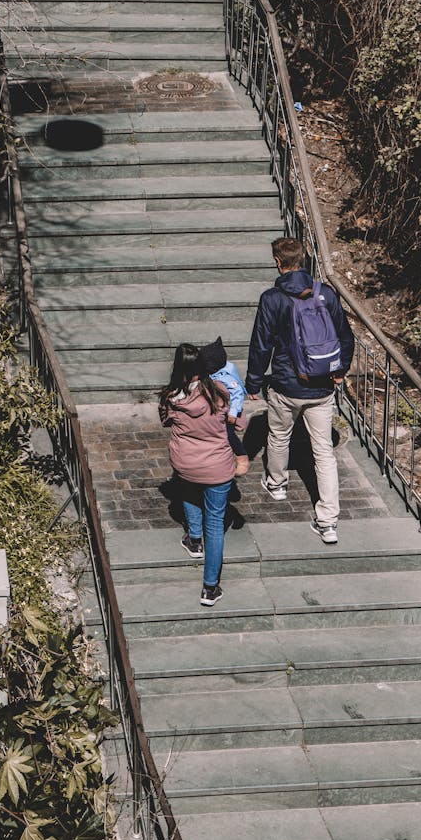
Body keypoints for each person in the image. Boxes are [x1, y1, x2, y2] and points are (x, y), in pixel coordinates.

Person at [245, 236, 354, 544]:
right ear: (303, 260)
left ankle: (278, 484)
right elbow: (345, 337)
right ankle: (328, 520)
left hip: (285, 384)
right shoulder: (326, 294)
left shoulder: (272, 298)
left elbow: (261, 343)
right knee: (324, 452)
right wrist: (339, 370)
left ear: (278, 263)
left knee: (279, 435)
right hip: (321, 387)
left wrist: (253, 382)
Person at [159, 343, 242, 606]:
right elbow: (234, 421)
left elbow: (166, 422)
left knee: (188, 491)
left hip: (186, 463)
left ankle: (194, 539)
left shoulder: (171, 397)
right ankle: (210, 587)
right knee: (215, 524)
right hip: (218, 467)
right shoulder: (220, 393)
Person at [200, 336, 249, 476]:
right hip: (216, 410)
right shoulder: (213, 372)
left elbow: (238, 393)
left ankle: (241, 456)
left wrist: (233, 413)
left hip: (228, 414)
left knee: (229, 435)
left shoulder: (226, 376)